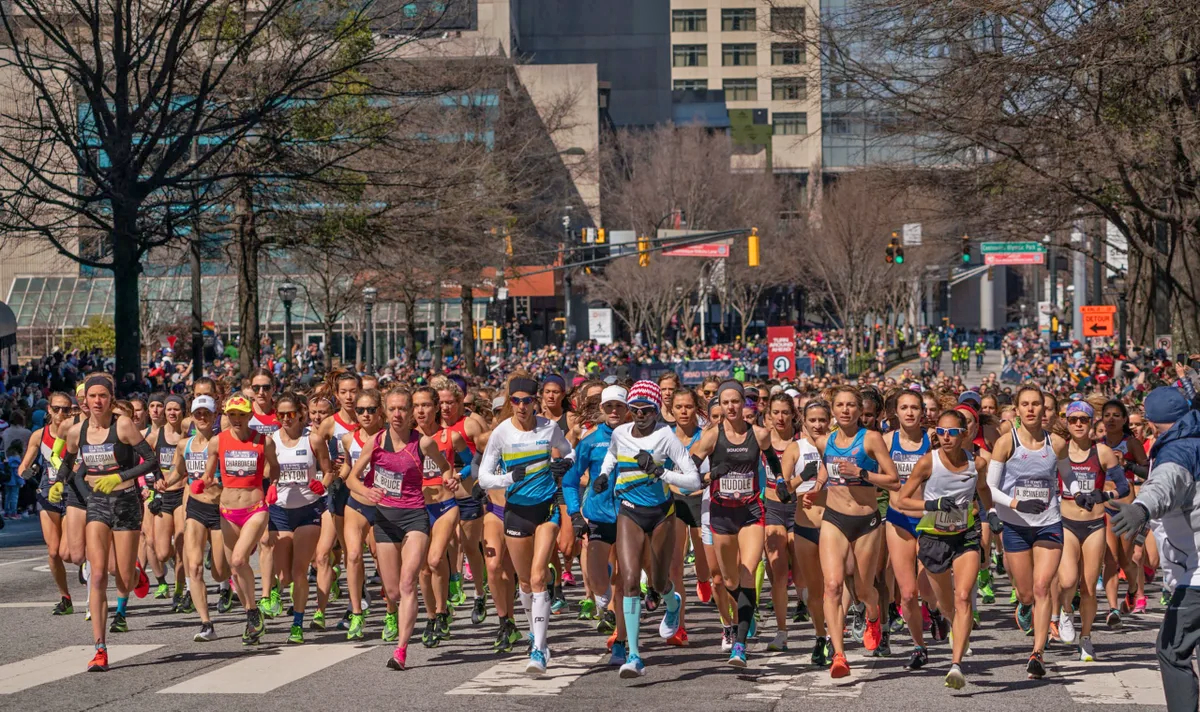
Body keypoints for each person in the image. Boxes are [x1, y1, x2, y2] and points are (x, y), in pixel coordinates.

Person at [589, 380, 700, 677]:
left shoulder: (667, 438)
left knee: (660, 580)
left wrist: (659, 471)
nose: (639, 415)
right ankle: (634, 656)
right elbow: (612, 453)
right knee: (627, 579)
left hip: (662, 514)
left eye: (646, 410)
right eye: (634, 409)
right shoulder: (620, 433)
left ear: (655, 411)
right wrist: (603, 475)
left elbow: (693, 480)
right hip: (629, 512)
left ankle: (671, 602)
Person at [54, 374, 160, 671]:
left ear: (111, 398)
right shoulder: (77, 431)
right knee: (97, 576)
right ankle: (100, 648)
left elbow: (151, 461)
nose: (97, 401)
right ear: (84, 401)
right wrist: (58, 483)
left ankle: (136, 574)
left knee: (123, 579)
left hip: (126, 504)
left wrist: (121, 477)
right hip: (98, 506)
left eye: (103, 396)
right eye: (92, 396)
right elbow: (67, 461)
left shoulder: (123, 425)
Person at [346, 387, 455, 671]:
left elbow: (445, 468)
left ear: (410, 413)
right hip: (384, 519)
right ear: (385, 411)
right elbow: (352, 479)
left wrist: (450, 479)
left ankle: (401, 650)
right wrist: (366, 492)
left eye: (402, 409)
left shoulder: (424, 443)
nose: (397, 414)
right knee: (393, 592)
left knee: (409, 583)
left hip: (414, 518)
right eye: (392, 409)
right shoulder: (376, 441)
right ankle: (403, 622)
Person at [1110, 386, 1200, 712]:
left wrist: (1141, 508)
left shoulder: (1178, 451)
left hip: (1197, 576)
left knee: (1171, 649)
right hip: (1190, 568)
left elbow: (1165, 483)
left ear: (1150, 422)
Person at [477, 374, 575, 675]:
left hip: (546, 510)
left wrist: (564, 463)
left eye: (527, 400)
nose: (521, 406)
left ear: (535, 402)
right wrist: (509, 478)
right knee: (523, 582)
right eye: (516, 400)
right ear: (510, 402)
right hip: (516, 511)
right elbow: (484, 477)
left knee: (537, 578)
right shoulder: (501, 434)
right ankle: (535, 633)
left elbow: (569, 451)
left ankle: (539, 649)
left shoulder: (549, 429)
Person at [689, 380, 787, 668]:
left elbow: (772, 461)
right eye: (725, 402)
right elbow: (689, 468)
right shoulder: (710, 437)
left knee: (748, 570)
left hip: (751, 513)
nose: (731, 407)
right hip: (720, 514)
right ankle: (747, 609)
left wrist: (779, 481)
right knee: (729, 580)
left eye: (736, 401)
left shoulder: (759, 434)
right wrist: (709, 477)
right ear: (719, 404)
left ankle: (740, 645)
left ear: (744, 403)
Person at [896, 409, 989, 689]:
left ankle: (956, 664)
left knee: (963, 598)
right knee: (945, 604)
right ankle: (949, 622)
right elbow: (902, 500)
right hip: (934, 537)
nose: (946, 437)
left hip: (966, 535)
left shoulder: (978, 463)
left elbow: (983, 489)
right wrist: (932, 505)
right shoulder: (928, 462)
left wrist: (991, 512)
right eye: (941, 431)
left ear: (965, 434)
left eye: (952, 432)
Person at [985, 385, 1068, 679]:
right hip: (1016, 526)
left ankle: (1038, 653)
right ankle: (1024, 606)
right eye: (1026, 404)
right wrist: (1017, 503)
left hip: (1049, 523)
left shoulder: (1057, 443)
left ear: (1045, 410)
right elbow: (989, 489)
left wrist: (1083, 495)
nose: (1031, 409)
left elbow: (1068, 480)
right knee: (1026, 591)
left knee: (1043, 586)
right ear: (1017, 409)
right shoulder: (1006, 443)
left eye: (1037, 404)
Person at [201, 394, 279, 646]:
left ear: (249, 416)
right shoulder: (217, 441)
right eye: (232, 414)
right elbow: (208, 472)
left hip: (255, 508)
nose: (236, 419)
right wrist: (204, 482)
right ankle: (251, 614)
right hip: (227, 511)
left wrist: (273, 485)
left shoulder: (263, 441)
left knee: (238, 559)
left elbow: (274, 466)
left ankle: (253, 611)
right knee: (233, 569)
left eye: (241, 415)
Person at [562, 385, 628, 664]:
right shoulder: (590, 441)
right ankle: (606, 599)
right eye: (609, 406)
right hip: (598, 515)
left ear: (627, 410)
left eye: (619, 407)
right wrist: (575, 514)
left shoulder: (639, 438)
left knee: (627, 583)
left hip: (630, 516)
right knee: (599, 578)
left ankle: (621, 642)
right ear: (602, 409)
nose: (614, 411)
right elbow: (569, 480)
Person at [269, 392, 335, 644]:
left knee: (299, 570)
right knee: (283, 575)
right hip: (280, 511)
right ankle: (275, 592)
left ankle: (297, 623)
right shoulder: (271, 440)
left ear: (300, 414)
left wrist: (322, 484)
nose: (286, 419)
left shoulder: (314, 440)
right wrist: (271, 484)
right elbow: (266, 471)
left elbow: (327, 471)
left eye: (291, 414)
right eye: (281, 414)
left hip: (308, 510)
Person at [18, 391, 74, 614]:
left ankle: (88, 576)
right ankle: (65, 597)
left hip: (73, 495)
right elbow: (23, 467)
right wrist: (29, 474)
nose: (61, 413)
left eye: (66, 409)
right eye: (57, 408)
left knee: (70, 552)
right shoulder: (39, 435)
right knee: (53, 553)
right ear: (49, 410)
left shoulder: (77, 433)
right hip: (48, 494)